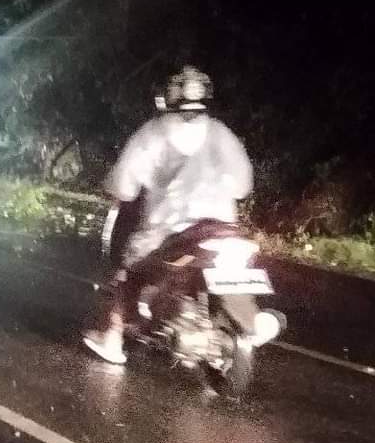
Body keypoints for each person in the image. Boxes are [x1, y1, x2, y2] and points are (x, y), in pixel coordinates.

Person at [83, 66, 253, 364]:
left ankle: (112, 337)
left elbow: (123, 185)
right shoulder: (221, 133)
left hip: (169, 230)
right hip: (222, 229)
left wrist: (116, 187)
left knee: (130, 266)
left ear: (170, 97)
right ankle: (246, 323)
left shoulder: (154, 133)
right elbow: (242, 185)